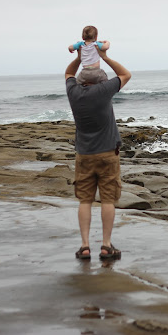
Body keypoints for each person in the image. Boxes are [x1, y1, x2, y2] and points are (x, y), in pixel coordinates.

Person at [65, 43, 131, 260]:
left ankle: (85, 246)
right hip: (107, 154)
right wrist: (104, 56)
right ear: (101, 81)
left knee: (85, 201)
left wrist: (79, 55)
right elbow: (125, 74)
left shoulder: (74, 92)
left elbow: (68, 73)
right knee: (108, 201)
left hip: (84, 155)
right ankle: (106, 245)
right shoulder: (104, 91)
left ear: (82, 81)